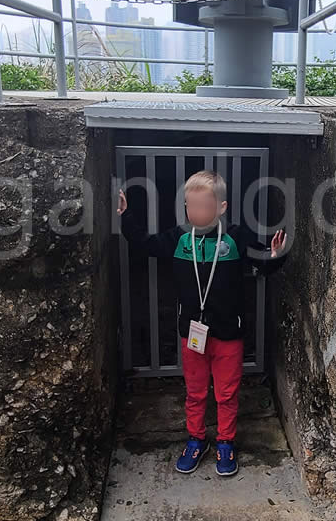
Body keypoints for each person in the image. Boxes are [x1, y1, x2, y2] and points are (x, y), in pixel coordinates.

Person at [118, 170, 288, 477]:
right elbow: (145, 243)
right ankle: (196, 439)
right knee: (195, 392)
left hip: (228, 335)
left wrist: (275, 255)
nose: (194, 213)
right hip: (192, 334)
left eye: (202, 206)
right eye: (189, 206)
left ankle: (225, 441)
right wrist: (126, 217)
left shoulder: (236, 237)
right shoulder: (180, 238)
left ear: (221, 207)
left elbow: (262, 260)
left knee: (226, 393)